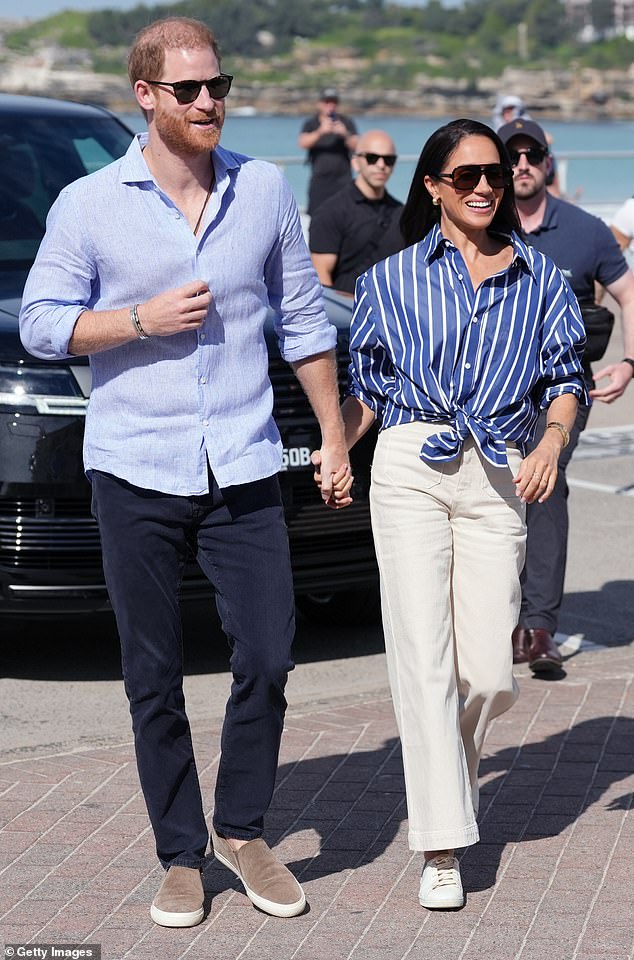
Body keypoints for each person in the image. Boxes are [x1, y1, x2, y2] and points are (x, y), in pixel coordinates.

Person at [19, 16, 352, 929]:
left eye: (219, 86)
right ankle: (180, 853)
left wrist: (331, 435)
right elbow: (41, 322)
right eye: (189, 90)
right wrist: (136, 321)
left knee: (271, 652)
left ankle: (242, 831)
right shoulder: (90, 205)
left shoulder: (267, 186)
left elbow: (304, 321)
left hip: (243, 461)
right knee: (152, 672)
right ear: (146, 97)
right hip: (135, 466)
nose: (209, 102)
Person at [313, 118, 587, 909]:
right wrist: (339, 448)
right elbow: (367, 385)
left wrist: (552, 441)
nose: (483, 188)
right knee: (423, 661)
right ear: (431, 185)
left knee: (489, 673)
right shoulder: (388, 282)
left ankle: (444, 793)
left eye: (493, 175)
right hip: (410, 465)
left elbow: (565, 376)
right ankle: (440, 843)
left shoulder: (540, 277)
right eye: (464, 175)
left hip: (502, 471)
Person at [497, 117, 634, 671]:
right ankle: (501, 619)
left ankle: (538, 628)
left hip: (561, 392)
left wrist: (629, 362)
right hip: (489, 393)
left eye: (533, 154)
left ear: (548, 163)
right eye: (513, 155)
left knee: (543, 491)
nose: (523, 164)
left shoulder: (586, 230)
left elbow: (628, 292)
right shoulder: (482, 226)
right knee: (496, 499)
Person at [308, 129, 403, 293]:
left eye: (389, 160)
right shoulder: (330, 212)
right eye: (372, 158)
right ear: (355, 162)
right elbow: (321, 277)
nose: (381, 165)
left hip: (393, 312)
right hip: (348, 313)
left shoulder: (401, 213)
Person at [298, 88, 358, 216]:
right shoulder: (311, 123)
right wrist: (320, 131)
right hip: (320, 181)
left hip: (343, 180)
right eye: (327, 102)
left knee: (345, 215)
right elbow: (302, 143)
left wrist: (345, 134)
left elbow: (358, 145)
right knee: (317, 217)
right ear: (319, 104)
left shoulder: (346, 122)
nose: (330, 106)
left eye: (334, 102)